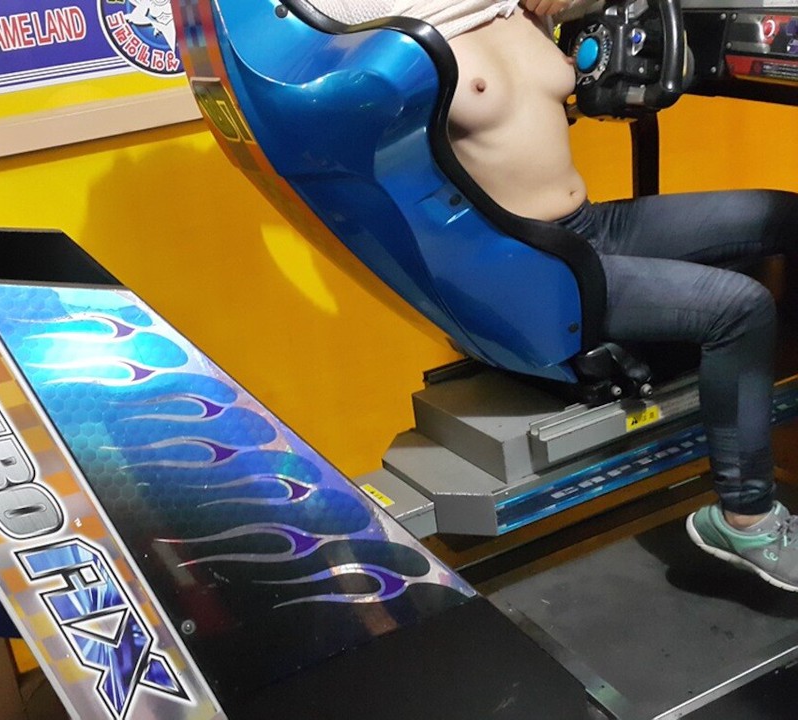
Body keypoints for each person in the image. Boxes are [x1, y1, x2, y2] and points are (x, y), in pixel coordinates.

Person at [309, 0, 798, 591]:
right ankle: (745, 519)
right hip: (531, 266)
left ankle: (749, 405)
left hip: (590, 225)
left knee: (785, 215)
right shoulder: (376, 18)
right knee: (739, 308)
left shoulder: (511, 7)